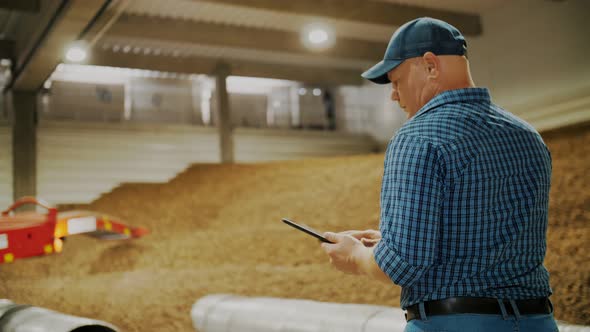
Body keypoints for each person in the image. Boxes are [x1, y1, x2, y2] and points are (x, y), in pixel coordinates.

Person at [320, 17, 557, 332]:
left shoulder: (418, 137)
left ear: (430, 66)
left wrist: (356, 258)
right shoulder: (526, 135)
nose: (393, 95)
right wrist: (388, 241)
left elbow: (402, 264)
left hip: (452, 324)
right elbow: (486, 235)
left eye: (396, 81)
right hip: (537, 322)